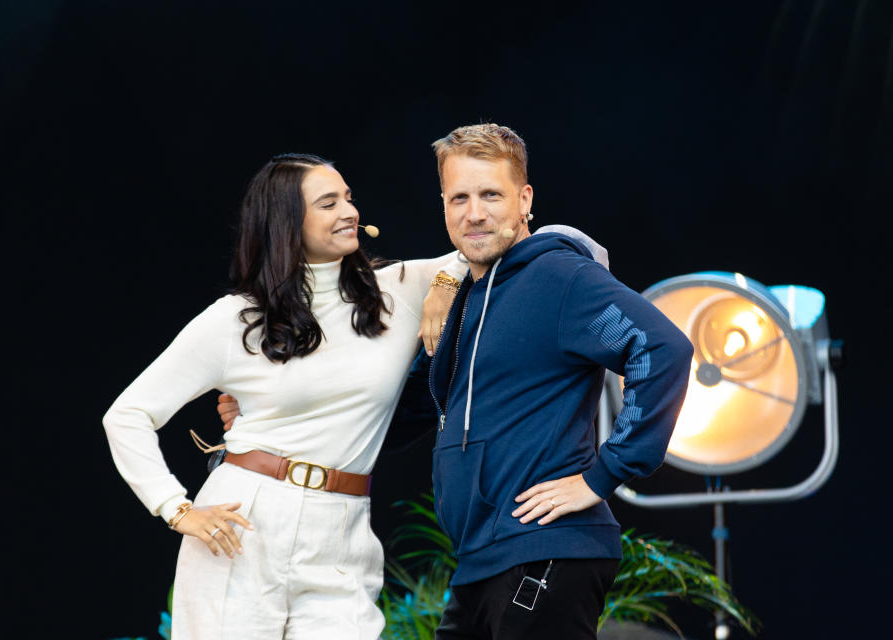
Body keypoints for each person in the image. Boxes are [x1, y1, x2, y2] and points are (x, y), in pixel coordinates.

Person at [103, 151, 602, 640]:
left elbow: (533, 242)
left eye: (348, 198)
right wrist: (176, 508)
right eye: (328, 203)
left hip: (342, 530)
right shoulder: (236, 319)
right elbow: (127, 414)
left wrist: (448, 281)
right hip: (247, 524)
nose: (349, 212)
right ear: (286, 222)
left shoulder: (397, 292)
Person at [425, 124, 694, 639]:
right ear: (443, 204)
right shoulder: (465, 300)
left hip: (546, 550)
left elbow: (661, 349)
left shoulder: (559, 280)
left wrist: (603, 474)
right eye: (459, 197)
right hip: (481, 559)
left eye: (491, 195)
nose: (474, 212)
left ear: (525, 199)